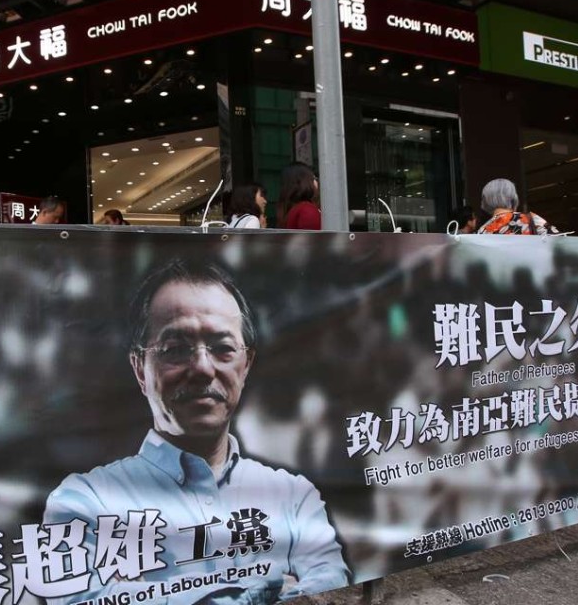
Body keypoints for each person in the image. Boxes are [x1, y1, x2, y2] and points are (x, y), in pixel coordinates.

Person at [44, 260, 350, 603]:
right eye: (176, 349)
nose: (203, 368)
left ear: (246, 363)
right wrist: (263, 590)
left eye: (222, 348)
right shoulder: (84, 502)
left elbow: (330, 585)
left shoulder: (293, 495)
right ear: (139, 368)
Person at [476, 178, 558, 235]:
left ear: (486, 200)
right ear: (513, 197)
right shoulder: (529, 219)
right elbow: (559, 242)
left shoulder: (483, 230)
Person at [278, 163, 321, 230]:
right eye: (313, 178)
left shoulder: (294, 208)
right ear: (305, 182)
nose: (316, 182)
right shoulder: (307, 210)